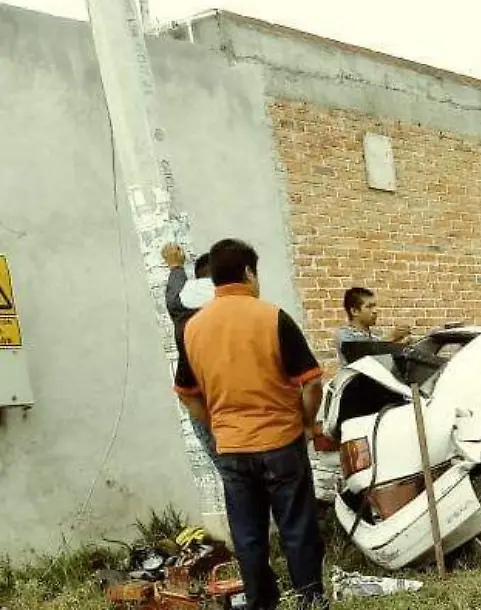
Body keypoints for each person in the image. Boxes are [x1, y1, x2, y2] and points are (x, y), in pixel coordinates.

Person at [173, 239, 328, 610]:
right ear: (247, 273)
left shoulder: (193, 329)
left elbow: (187, 393)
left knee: (247, 533)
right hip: (281, 440)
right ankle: (310, 598)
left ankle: (261, 602)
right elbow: (312, 382)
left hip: (232, 447)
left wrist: (217, 423)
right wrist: (307, 423)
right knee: (297, 527)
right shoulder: (272, 317)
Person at [162, 243, 217, 460]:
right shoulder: (242, 306)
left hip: (207, 410)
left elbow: (174, 298)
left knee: (233, 477)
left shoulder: (183, 309)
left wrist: (175, 266)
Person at [335, 286, 414, 365]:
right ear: (354, 311)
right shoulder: (344, 334)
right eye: (369, 307)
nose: (375, 311)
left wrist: (402, 345)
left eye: (375, 306)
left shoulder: (375, 336)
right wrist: (391, 338)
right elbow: (363, 354)